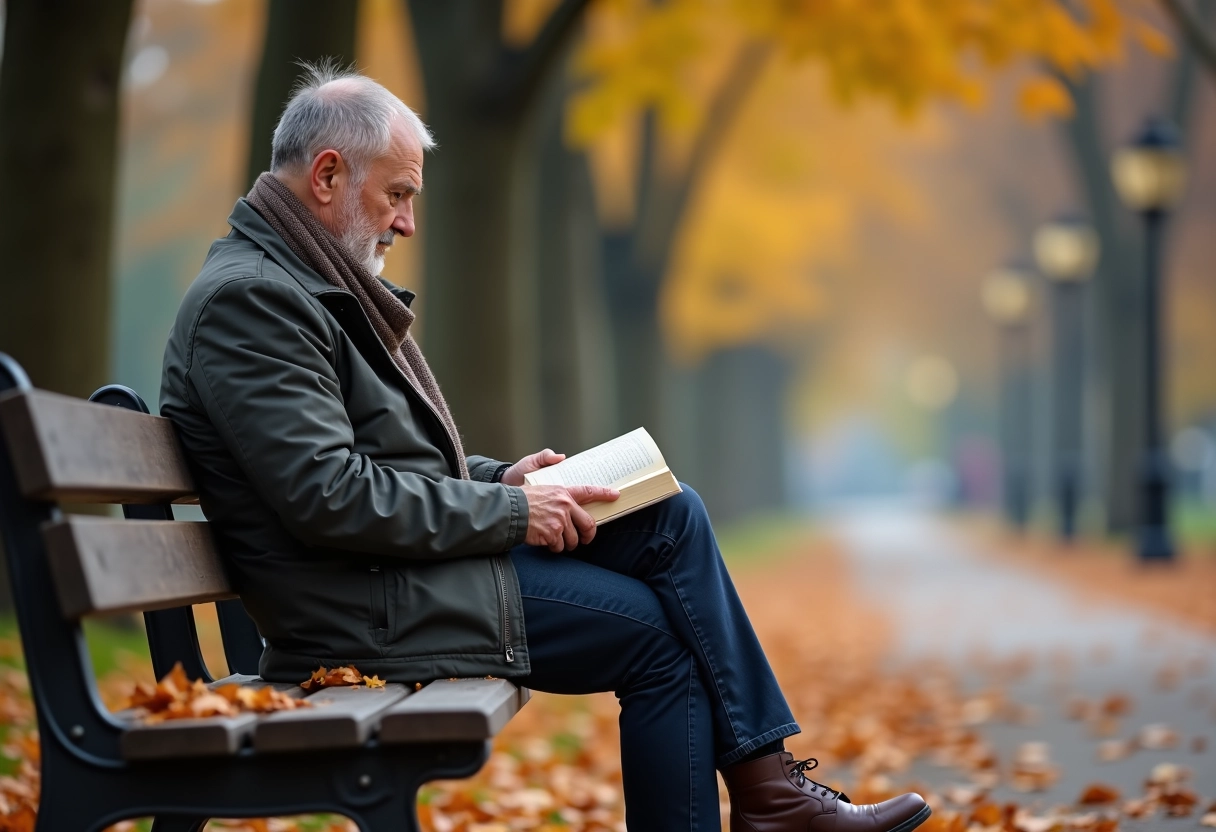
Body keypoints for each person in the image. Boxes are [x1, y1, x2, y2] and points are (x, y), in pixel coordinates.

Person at [160, 63, 929, 832]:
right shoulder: (253, 300)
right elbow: (332, 497)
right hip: (362, 611)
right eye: (397, 195)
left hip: (394, 576)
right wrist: (513, 509)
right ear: (328, 175)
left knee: (669, 512)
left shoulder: (304, 282)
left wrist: (505, 478)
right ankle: (773, 800)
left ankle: (770, 793)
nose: (407, 223)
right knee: (667, 644)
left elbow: (379, 468)